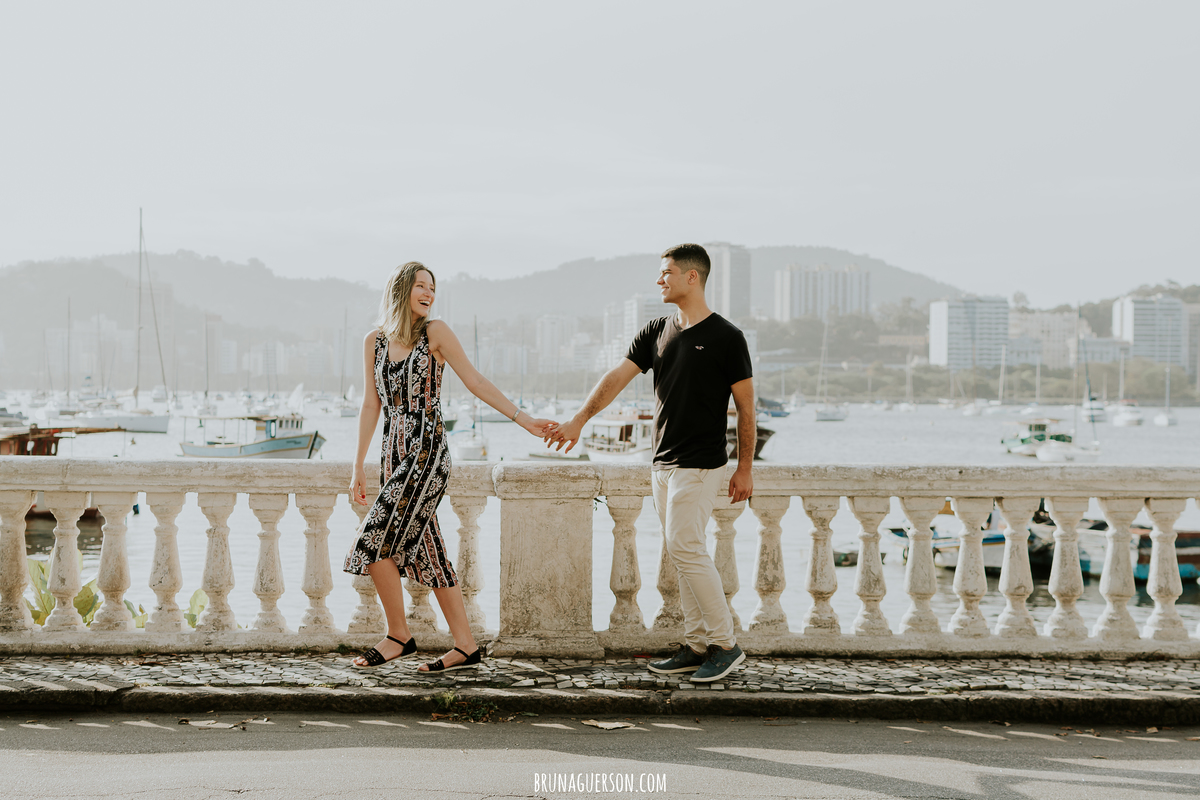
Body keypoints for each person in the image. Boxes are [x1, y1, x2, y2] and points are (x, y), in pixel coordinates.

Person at [545, 243, 755, 682]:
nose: (659, 280)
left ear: (692, 277)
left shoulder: (727, 337)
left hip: (701, 464)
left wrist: (745, 468)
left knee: (685, 548)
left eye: (667, 273)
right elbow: (616, 379)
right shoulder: (656, 331)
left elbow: (747, 409)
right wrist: (579, 420)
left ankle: (726, 645)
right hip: (662, 463)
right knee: (683, 552)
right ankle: (697, 645)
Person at [345, 261, 553, 671]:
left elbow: (475, 381)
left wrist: (524, 421)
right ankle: (466, 646)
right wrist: (358, 465)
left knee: (372, 540)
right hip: (392, 455)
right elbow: (370, 404)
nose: (428, 293)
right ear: (400, 290)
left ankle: (398, 636)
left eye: (432, 288)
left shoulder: (435, 333)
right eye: (420, 286)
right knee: (429, 547)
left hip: (427, 452)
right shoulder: (374, 341)